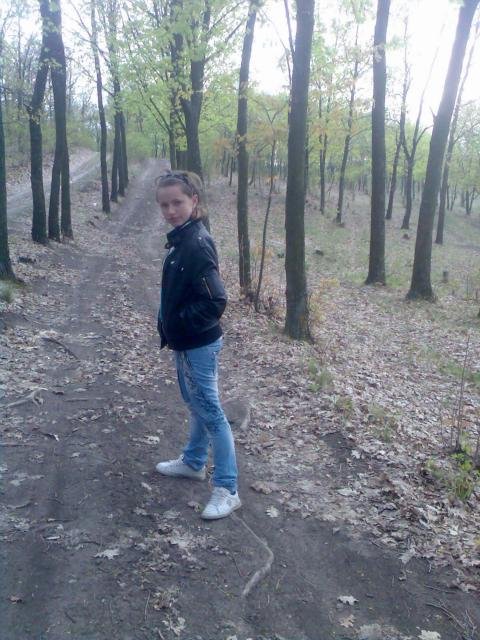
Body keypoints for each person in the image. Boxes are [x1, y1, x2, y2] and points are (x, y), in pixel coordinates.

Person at [154, 170, 241, 520]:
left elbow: (215, 300)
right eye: (164, 205)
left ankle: (228, 489)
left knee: (211, 412)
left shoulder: (196, 243)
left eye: (177, 202)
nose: (171, 210)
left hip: (198, 344)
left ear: (194, 201)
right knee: (197, 405)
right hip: (187, 342)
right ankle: (193, 461)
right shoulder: (182, 239)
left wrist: (178, 324)